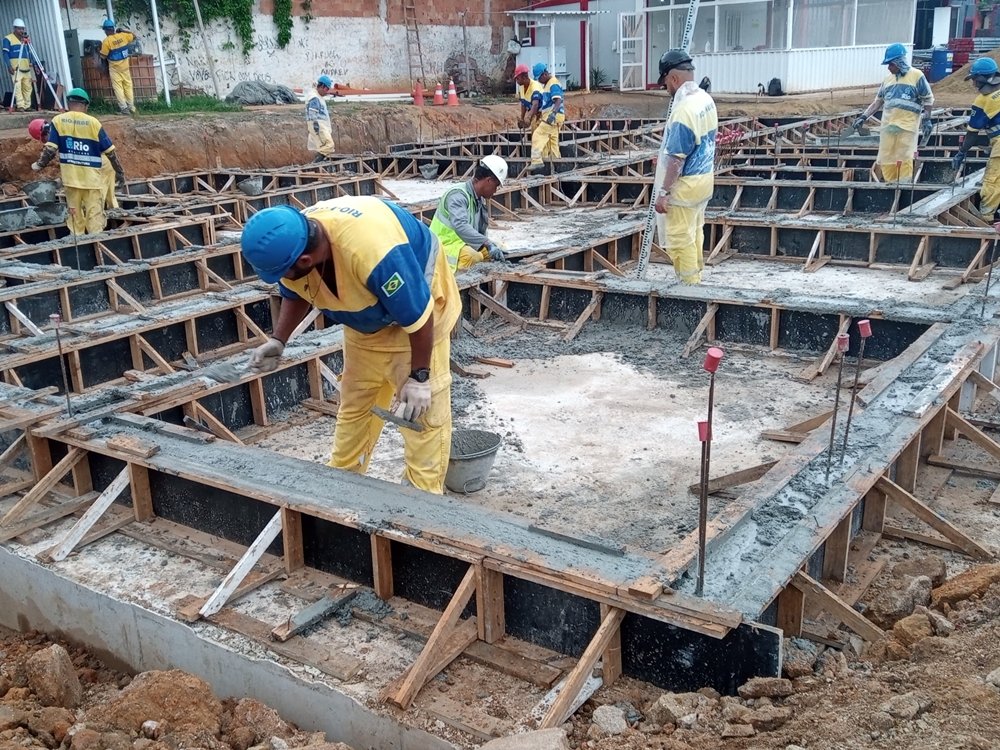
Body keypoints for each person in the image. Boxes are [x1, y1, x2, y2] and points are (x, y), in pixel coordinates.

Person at [239, 197, 461, 494]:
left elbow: (419, 317)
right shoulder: (294, 238)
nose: (281, 279)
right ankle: (342, 487)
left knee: (421, 418)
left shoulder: (373, 251)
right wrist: (279, 340)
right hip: (365, 324)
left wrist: (420, 376)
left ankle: (422, 501)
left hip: (418, 320)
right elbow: (296, 290)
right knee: (356, 408)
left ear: (305, 261)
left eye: (282, 273)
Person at [653, 50, 717, 285]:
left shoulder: (683, 110)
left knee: (680, 239)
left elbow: (677, 159)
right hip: (704, 179)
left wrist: (664, 192)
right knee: (695, 231)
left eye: (665, 84)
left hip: (686, 186)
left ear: (674, 78)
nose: (666, 89)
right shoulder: (705, 99)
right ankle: (696, 276)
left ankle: (690, 287)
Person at [31, 88, 126, 235]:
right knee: (94, 215)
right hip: (92, 181)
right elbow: (110, 152)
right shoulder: (94, 123)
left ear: (69, 104)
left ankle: (78, 241)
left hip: (71, 181)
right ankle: (96, 241)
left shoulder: (58, 121)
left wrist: (39, 165)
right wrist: (120, 172)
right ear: (86, 105)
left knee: (75, 216)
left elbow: (50, 149)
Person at [855, 43, 934, 183]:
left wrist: (927, 119)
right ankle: (890, 185)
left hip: (907, 127)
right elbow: (878, 101)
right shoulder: (888, 80)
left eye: (891, 64)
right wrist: (863, 116)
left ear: (900, 62)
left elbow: (928, 99)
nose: (889, 68)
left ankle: (903, 186)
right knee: (886, 158)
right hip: (888, 127)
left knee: (905, 157)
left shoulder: (916, 76)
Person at [429, 156, 508, 272]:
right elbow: (460, 226)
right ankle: (459, 280)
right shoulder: (458, 195)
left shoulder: (478, 199)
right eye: (495, 186)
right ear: (489, 181)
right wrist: (487, 243)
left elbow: (479, 231)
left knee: (499, 249)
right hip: (444, 246)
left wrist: (491, 245)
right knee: (473, 256)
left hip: (462, 243)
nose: (495, 191)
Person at [28, 118, 119, 212]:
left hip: (96, 164)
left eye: (43, 140)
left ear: (44, 134)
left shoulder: (56, 135)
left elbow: (74, 164)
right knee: (110, 197)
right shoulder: (66, 130)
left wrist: (40, 165)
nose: (46, 141)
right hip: (107, 161)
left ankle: (101, 218)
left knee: (95, 200)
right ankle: (116, 215)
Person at [950, 57, 1000, 221]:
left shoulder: (983, 100)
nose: (973, 84)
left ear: (983, 79)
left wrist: (962, 152)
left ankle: (987, 218)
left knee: (992, 182)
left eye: (975, 80)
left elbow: (972, 133)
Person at [529, 62, 565, 174]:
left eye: (539, 78)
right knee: (552, 141)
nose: (539, 81)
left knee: (538, 135)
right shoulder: (548, 84)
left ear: (544, 74)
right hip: (555, 117)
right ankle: (557, 162)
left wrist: (552, 114)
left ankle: (536, 161)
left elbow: (558, 100)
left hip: (552, 117)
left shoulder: (553, 83)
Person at [100, 18, 137, 115]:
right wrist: (123, 30)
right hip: (125, 67)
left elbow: (103, 56)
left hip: (115, 69)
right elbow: (134, 36)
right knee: (128, 86)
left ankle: (124, 108)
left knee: (118, 88)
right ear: (113, 28)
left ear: (106, 30)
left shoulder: (106, 41)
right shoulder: (123, 36)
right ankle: (131, 107)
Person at [3, 18, 36, 112]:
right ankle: (20, 106)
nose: (21, 31)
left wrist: (33, 64)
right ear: (14, 28)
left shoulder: (25, 40)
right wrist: (9, 66)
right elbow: (5, 53)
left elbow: (30, 52)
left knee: (28, 87)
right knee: (17, 87)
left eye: (22, 28)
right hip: (15, 68)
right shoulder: (8, 38)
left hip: (26, 67)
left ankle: (27, 106)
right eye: (19, 28)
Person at [306, 75, 336, 162]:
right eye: (327, 89)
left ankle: (320, 161)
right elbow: (312, 113)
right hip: (318, 125)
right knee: (329, 145)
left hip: (320, 125)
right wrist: (315, 125)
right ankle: (316, 163)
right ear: (322, 86)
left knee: (323, 146)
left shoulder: (317, 96)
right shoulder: (314, 97)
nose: (327, 92)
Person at [514, 63, 541, 133]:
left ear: (524, 77)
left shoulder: (535, 86)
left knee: (538, 135)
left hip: (543, 115)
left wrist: (528, 117)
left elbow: (535, 104)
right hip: (535, 115)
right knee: (534, 135)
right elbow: (523, 104)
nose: (516, 81)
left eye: (517, 78)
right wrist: (522, 118)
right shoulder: (521, 88)